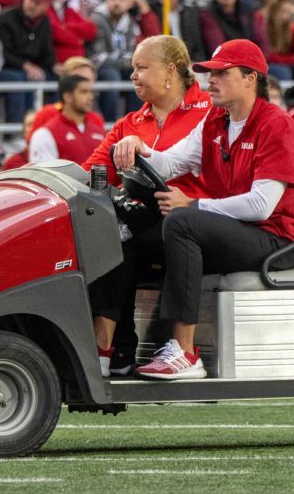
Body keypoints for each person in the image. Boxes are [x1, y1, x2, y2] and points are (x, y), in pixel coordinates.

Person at [110, 39, 294, 380]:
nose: (209, 81)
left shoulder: (277, 124)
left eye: (221, 73)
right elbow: (170, 163)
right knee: (132, 230)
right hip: (236, 233)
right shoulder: (216, 120)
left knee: (182, 221)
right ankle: (115, 348)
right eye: (208, 73)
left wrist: (195, 204)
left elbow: (262, 206)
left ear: (250, 79)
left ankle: (185, 352)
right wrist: (138, 146)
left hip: (275, 240)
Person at [82, 35, 211, 375]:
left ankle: (109, 345)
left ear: (170, 70)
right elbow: (88, 173)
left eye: (141, 68)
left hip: (195, 223)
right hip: (144, 227)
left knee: (124, 232)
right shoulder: (130, 123)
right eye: (132, 70)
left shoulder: (210, 114)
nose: (133, 76)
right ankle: (109, 350)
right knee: (109, 230)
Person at [0, 0, 58, 126]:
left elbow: (46, 52)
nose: (32, 5)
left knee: (57, 79)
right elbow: (2, 53)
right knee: (20, 79)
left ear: (46, 6)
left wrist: (55, 66)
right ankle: (15, 131)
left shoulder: (44, 22)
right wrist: (25, 65)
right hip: (7, 67)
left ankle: (54, 126)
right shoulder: (6, 19)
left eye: (38, 2)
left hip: (31, 69)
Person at [29, 74, 105, 163]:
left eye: (91, 92)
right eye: (84, 92)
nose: (90, 97)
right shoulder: (45, 134)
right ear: (67, 97)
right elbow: (45, 175)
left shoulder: (98, 130)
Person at [198, 0, 268, 56]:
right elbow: (218, 49)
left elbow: (261, 41)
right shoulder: (208, 14)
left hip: (252, 60)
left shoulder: (248, 9)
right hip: (227, 64)